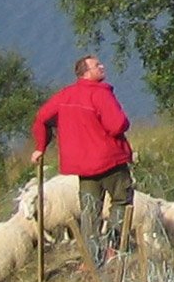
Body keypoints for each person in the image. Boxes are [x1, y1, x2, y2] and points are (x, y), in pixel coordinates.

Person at [30, 54, 133, 268]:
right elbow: (117, 125)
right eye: (97, 65)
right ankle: (114, 248)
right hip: (110, 161)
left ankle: (92, 258)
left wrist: (40, 147)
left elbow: (41, 118)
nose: (102, 67)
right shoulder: (100, 94)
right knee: (121, 201)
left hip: (84, 169)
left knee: (89, 212)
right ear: (86, 72)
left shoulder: (65, 95)